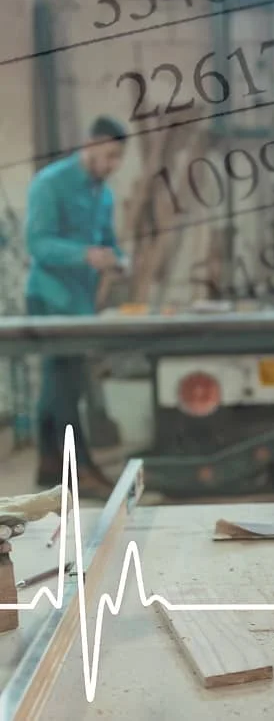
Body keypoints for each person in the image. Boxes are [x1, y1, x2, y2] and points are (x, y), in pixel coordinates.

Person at [25, 116, 129, 499]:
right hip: (49, 297)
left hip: (81, 303)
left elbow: (111, 243)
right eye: (110, 155)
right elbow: (38, 244)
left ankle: (49, 465)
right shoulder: (50, 184)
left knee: (56, 384)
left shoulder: (102, 195)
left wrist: (120, 261)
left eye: (119, 158)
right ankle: (79, 469)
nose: (114, 165)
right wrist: (86, 255)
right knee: (67, 387)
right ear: (90, 144)